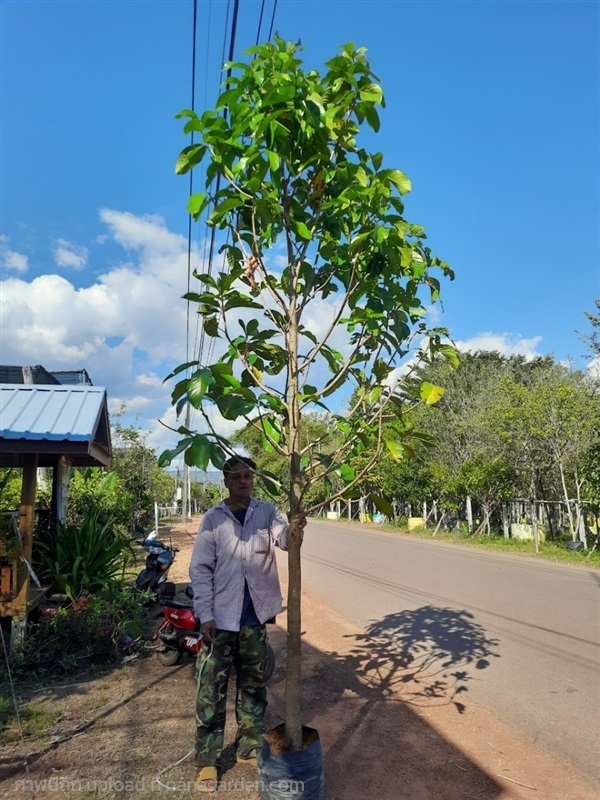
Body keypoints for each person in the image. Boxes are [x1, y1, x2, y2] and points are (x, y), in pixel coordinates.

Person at [189, 455, 305, 793]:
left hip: (254, 618)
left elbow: (285, 541)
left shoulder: (267, 513)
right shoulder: (213, 519)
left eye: (249, 476)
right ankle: (207, 760)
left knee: (253, 686)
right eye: (237, 476)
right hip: (219, 619)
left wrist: (296, 525)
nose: (244, 481)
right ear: (225, 481)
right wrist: (204, 613)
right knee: (210, 690)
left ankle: (249, 746)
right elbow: (200, 570)